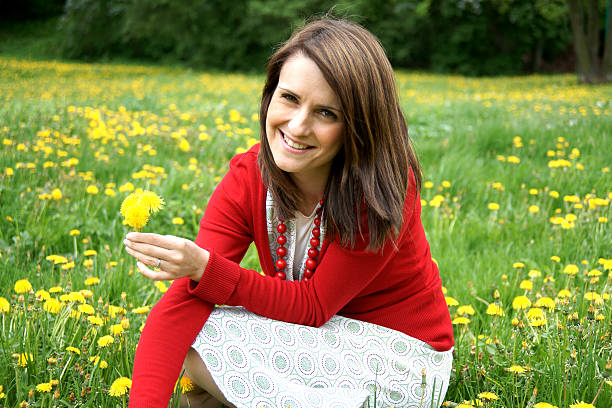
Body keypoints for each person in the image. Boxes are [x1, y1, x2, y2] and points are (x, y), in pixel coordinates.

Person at [123, 17, 454, 408]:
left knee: (200, 355)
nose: (297, 126)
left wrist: (206, 268)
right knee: (194, 332)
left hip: (399, 358)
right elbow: (185, 300)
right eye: (290, 98)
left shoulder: (380, 190)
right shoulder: (248, 177)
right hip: (315, 339)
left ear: (358, 126)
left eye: (326, 113)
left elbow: (314, 306)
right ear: (270, 94)